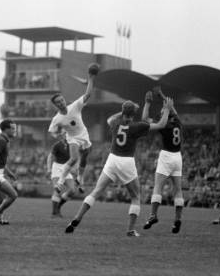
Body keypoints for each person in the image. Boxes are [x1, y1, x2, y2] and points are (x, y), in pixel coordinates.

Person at [65, 94, 173, 237]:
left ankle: (76, 219)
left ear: (123, 113)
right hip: (126, 161)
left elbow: (110, 119)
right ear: (133, 114)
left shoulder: (116, 124)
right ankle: (130, 230)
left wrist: (123, 111)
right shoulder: (137, 126)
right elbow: (161, 125)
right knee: (135, 197)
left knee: (96, 191)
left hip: (112, 159)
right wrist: (167, 109)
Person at [48, 63, 99, 193]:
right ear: (55, 105)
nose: (61, 102)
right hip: (72, 138)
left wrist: (91, 79)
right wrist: (58, 134)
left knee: (85, 157)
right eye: (58, 102)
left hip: (83, 134)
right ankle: (60, 183)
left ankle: (80, 179)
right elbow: (51, 132)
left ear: (64, 100)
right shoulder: (57, 119)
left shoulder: (74, 106)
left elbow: (87, 94)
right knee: (74, 158)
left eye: (62, 100)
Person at [142, 87, 184, 234]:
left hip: (166, 156)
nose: (161, 113)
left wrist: (147, 103)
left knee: (158, 187)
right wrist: (161, 95)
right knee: (177, 190)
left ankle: (153, 215)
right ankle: (177, 219)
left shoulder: (164, 124)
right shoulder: (178, 121)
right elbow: (171, 108)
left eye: (162, 112)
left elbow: (145, 120)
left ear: (166, 114)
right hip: (178, 157)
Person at [46, 132, 76, 217]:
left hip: (66, 168)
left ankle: (58, 206)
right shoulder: (57, 145)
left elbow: (75, 158)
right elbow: (50, 157)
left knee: (72, 190)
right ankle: (54, 212)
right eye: (66, 134)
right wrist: (49, 169)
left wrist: (74, 168)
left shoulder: (72, 145)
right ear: (63, 136)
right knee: (57, 190)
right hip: (57, 168)